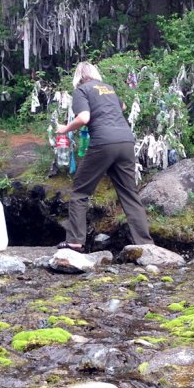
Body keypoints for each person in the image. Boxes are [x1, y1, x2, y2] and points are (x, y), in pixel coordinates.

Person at [54, 61, 154, 251]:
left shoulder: (82, 90)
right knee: (129, 194)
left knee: (80, 192)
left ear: (78, 77)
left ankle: (75, 241)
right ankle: (145, 243)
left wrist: (65, 129)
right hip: (126, 141)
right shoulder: (108, 88)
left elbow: (84, 118)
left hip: (103, 142)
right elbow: (123, 107)